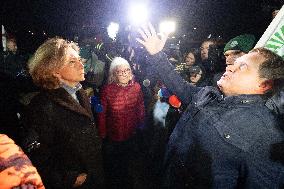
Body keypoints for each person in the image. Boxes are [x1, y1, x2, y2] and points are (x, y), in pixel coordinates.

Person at [137, 24, 284, 188]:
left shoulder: (266, 137)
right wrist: (157, 54)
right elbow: (178, 85)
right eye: (234, 62)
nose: (230, 66)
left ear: (264, 85)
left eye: (243, 66)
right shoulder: (209, 94)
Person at [23, 37, 104, 188]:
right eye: (72, 62)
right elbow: (37, 158)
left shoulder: (81, 92)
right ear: (54, 71)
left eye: (80, 59)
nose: (82, 64)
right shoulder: (42, 106)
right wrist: (70, 179)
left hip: (94, 173)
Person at [97, 57, 145, 189]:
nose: (124, 74)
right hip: (113, 135)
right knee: (114, 165)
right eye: (120, 72)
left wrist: (141, 126)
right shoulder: (107, 90)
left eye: (127, 70)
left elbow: (140, 107)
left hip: (131, 133)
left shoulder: (137, 87)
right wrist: (102, 133)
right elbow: (101, 113)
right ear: (114, 74)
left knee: (128, 162)